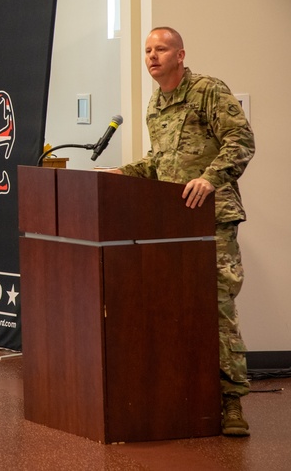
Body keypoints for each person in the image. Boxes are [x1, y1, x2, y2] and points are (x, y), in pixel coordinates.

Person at [113, 26, 255, 437]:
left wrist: (211, 178)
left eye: (161, 49)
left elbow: (241, 140)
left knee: (218, 306)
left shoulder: (207, 90)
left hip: (213, 219)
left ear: (180, 55)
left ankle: (232, 403)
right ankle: (189, 394)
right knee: (176, 309)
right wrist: (123, 172)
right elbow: (161, 162)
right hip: (172, 223)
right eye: (147, 51)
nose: (152, 56)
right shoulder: (156, 104)